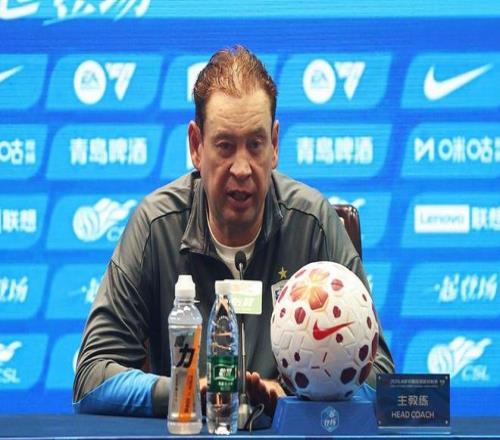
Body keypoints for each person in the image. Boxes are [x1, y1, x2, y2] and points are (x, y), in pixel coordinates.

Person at [73, 45, 394, 418]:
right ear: (196, 146)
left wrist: (294, 397)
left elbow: (380, 376)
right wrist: (188, 391)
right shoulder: (155, 227)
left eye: (255, 145)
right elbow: (91, 376)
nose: (242, 168)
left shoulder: (313, 225)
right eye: (225, 146)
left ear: (274, 145)